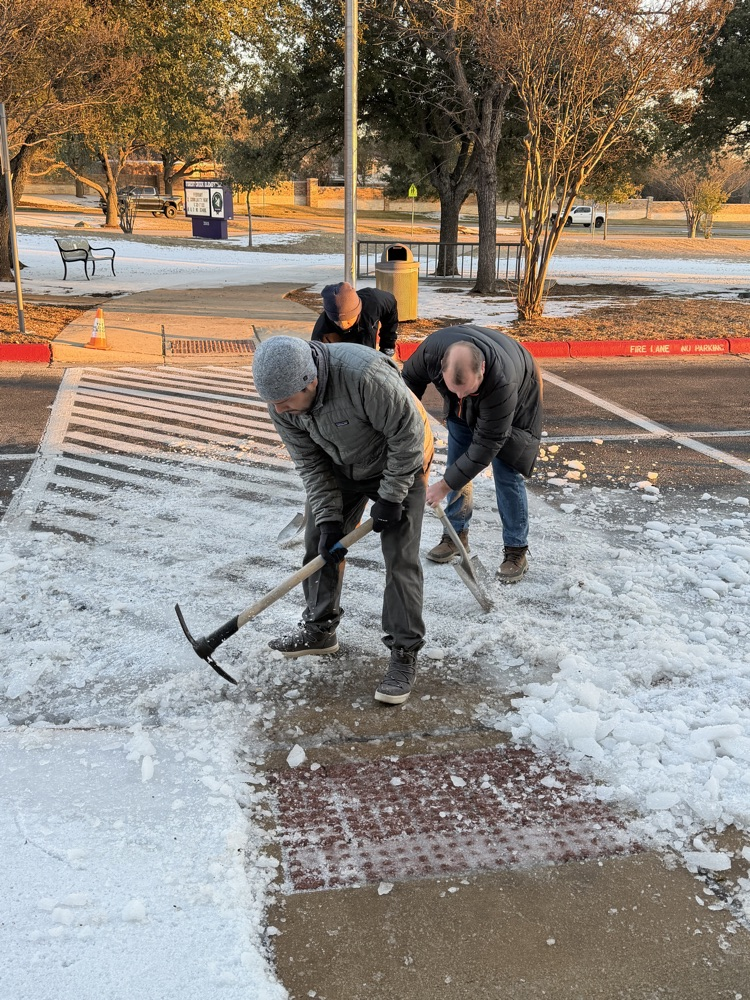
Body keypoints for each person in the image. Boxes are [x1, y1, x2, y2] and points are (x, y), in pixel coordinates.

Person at [252, 336, 433, 704]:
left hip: (400, 462)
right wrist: (330, 518)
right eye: (275, 404)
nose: (281, 411)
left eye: (287, 402)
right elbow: (310, 464)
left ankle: (404, 651)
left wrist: (391, 496)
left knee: (400, 559)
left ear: (311, 381)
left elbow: (407, 436)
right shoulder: (281, 402)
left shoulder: (363, 375)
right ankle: (319, 629)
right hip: (340, 466)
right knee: (319, 542)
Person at [402, 325, 542, 583]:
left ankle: (516, 549)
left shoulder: (502, 381)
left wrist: (443, 487)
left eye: (467, 390)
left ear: (483, 370)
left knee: (506, 471)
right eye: (453, 390)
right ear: (441, 367)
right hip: (473, 394)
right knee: (457, 462)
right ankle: (456, 536)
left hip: (518, 399)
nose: (460, 396)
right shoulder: (430, 354)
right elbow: (405, 391)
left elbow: (486, 445)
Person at [311, 281, 399, 356]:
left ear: (357, 311)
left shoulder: (374, 302)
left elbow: (391, 307)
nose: (343, 325)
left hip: (365, 337)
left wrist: (388, 344)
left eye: (348, 320)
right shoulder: (321, 334)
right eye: (337, 321)